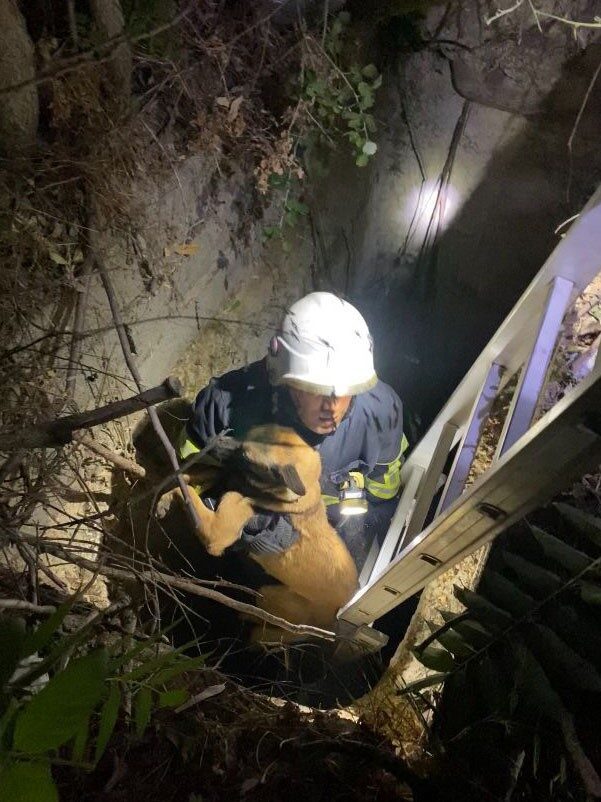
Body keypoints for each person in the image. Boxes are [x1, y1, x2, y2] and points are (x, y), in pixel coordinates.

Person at [178, 292, 408, 572]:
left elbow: (384, 484)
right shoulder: (227, 408)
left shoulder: (381, 413)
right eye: (317, 390)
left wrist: (370, 525)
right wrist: (237, 516)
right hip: (259, 534)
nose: (332, 407)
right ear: (287, 381)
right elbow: (190, 474)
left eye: (345, 390)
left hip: (331, 525)